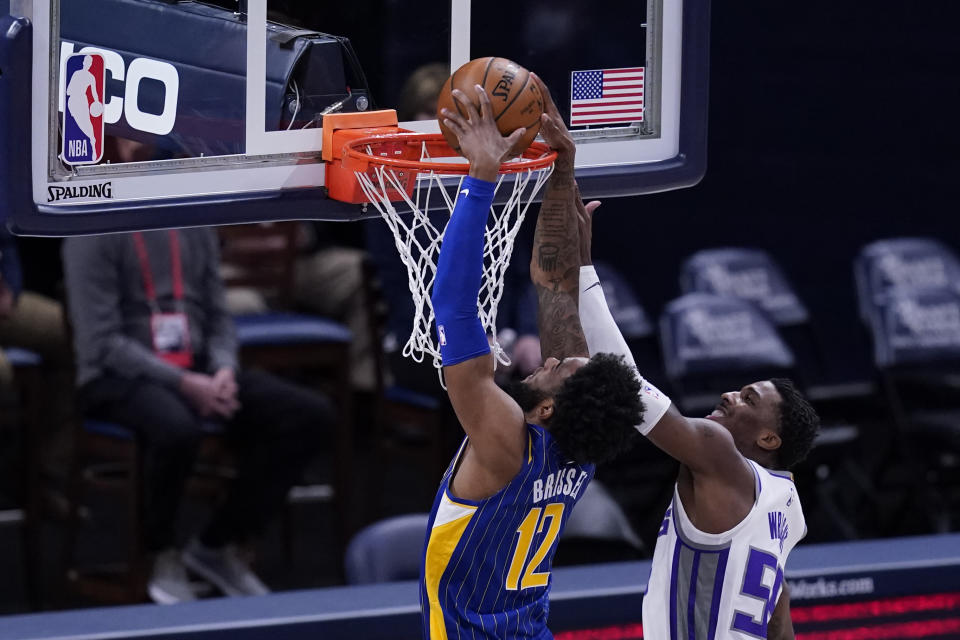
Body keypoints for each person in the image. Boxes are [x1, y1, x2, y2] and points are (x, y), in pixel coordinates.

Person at [419, 80, 643, 639]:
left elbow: (451, 305)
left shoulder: (504, 440)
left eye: (558, 368)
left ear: (544, 408)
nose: (552, 359)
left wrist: (481, 179)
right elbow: (552, 284)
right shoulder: (576, 446)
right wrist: (562, 169)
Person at [572, 195, 820, 636]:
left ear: (768, 440)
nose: (729, 396)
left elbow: (629, 390)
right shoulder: (788, 504)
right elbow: (779, 620)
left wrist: (582, 268)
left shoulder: (718, 451)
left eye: (748, 399)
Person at [62, 227, 332, 604]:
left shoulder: (193, 223)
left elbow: (219, 314)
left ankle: (218, 544)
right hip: (116, 375)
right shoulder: (93, 231)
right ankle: (160, 551)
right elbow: (102, 342)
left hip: (197, 365)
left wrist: (223, 370)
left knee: (306, 415)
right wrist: (184, 383)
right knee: (176, 429)